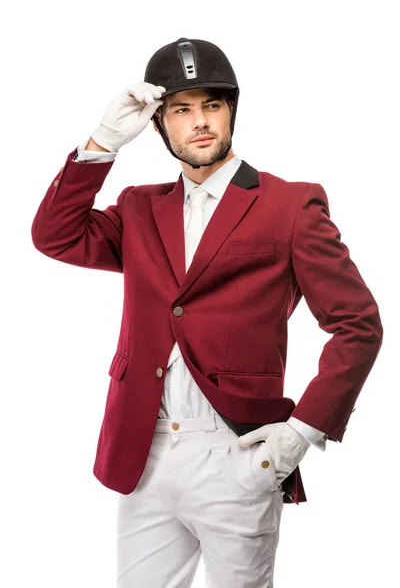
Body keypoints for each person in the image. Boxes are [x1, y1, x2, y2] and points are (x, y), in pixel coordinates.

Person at [31, 37, 383, 588]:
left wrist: (302, 432)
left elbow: (358, 325)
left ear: (231, 111)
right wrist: (101, 144)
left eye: (212, 106)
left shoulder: (291, 205)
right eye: (182, 109)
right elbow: (55, 236)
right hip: (143, 456)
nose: (200, 122)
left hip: (238, 454)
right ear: (160, 125)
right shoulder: (139, 209)